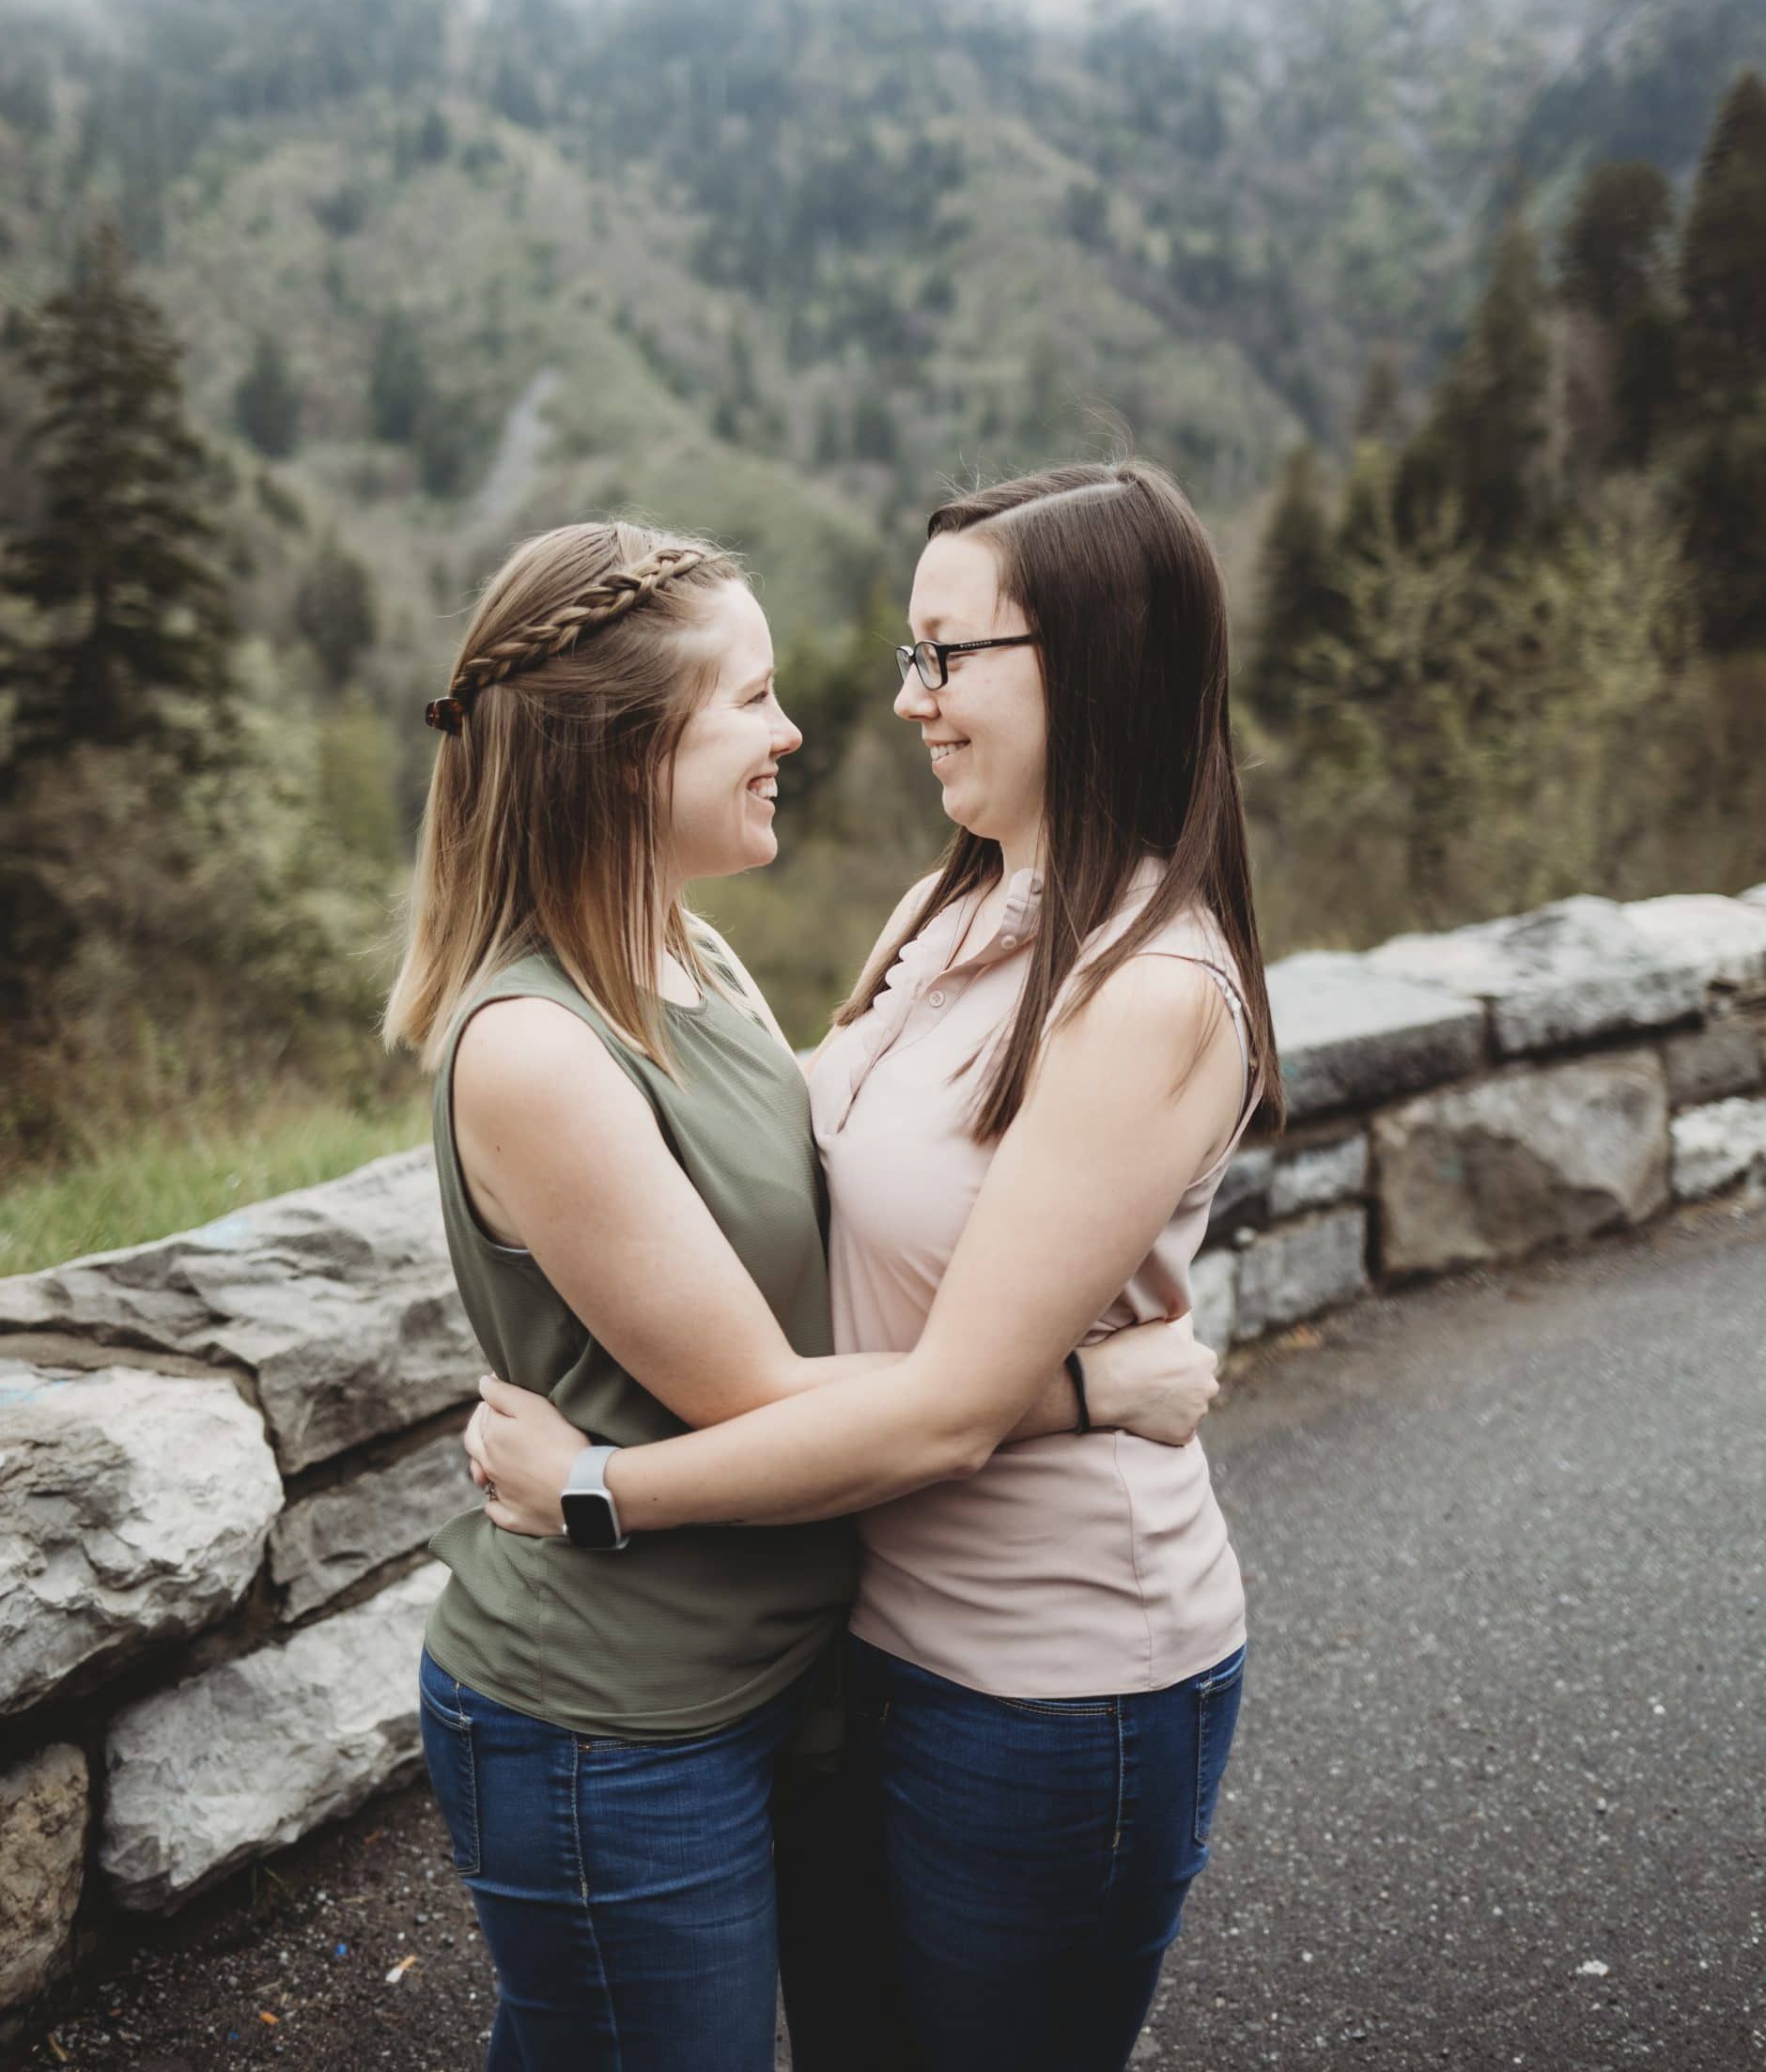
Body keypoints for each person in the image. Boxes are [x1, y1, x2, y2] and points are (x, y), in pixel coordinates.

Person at [471, 459, 1286, 2072]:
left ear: (1096, 661)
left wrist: (598, 1489)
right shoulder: (945, 906)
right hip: (861, 1650)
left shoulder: (1151, 992)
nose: (908, 701)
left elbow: (942, 1417)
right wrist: (1093, 1380)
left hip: (1049, 1686)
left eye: (946, 655)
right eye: (912, 656)